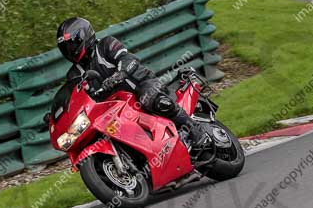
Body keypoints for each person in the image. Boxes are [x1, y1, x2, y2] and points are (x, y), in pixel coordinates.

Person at [57, 17, 209, 146]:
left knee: (149, 98)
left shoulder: (105, 45)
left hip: (140, 85)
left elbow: (127, 58)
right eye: (65, 47)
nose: (69, 50)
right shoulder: (73, 74)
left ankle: (194, 128)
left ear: (84, 36)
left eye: (72, 44)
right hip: (115, 107)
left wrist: (119, 74)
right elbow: (75, 98)